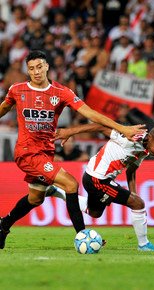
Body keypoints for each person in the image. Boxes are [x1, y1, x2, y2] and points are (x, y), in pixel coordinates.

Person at [0, 50, 145, 249]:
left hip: (45, 152)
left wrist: (122, 128)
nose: (36, 72)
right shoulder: (17, 90)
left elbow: (91, 114)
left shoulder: (61, 93)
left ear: (47, 67)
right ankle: (83, 236)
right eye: (31, 68)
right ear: (28, 70)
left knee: (35, 198)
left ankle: (3, 225)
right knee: (70, 184)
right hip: (26, 152)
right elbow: (4, 108)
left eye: (39, 67)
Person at [46, 123, 154, 251]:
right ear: (149, 138)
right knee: (139, 204)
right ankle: (143, 244)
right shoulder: (130, 137)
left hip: (94, 178)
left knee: (95, 213)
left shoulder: (146, 149)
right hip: (98, 179)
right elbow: (99, 127)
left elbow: (131, 170)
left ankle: (56, 192)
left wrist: (134, 194)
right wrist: (70, 131)